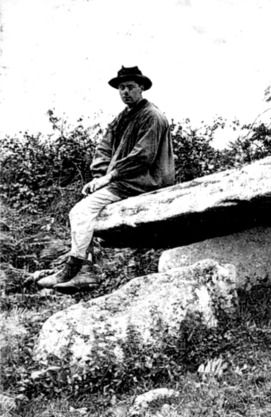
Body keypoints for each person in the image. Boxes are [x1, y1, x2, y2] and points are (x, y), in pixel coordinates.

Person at [37, 66, 175, 293]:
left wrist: (110, 177)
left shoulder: (151, 116)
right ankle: (83, 270)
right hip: (123, 180)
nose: (125, 92)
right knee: (89, 212)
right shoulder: (124, 116)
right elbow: (104, 147)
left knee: (80, 212)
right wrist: (100, 176)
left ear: (142, 87)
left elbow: (143, 156)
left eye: (130, 87)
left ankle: (79, 269)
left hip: (144, 181)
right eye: (121, 88)